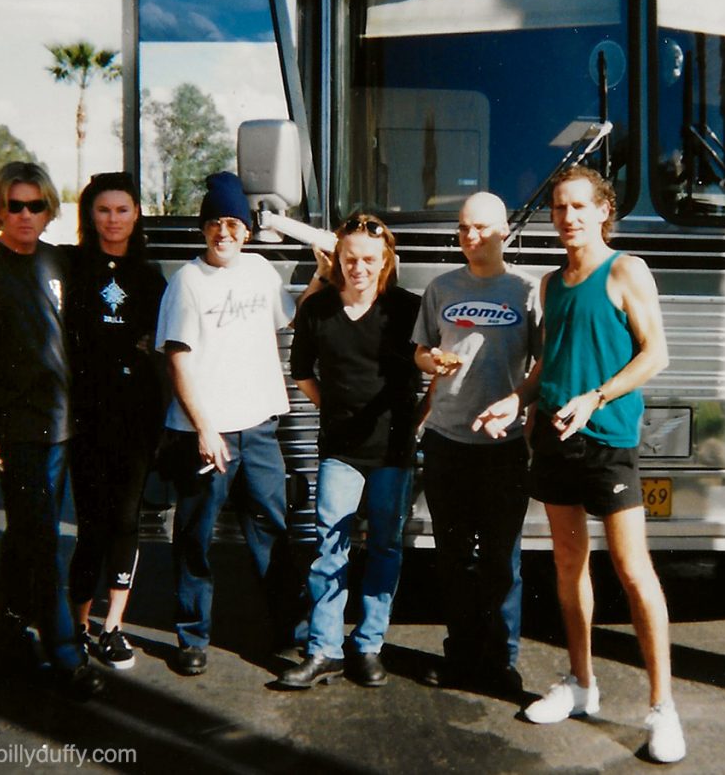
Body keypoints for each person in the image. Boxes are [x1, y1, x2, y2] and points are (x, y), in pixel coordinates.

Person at [474, 166, 685, 763]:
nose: (567, 218)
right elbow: (547, 368)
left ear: (602, 211)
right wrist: (515, 401)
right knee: (569, 565)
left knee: (632, 569)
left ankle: (662, 708)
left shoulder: (626, 270)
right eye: (559, 209)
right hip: (556, 443)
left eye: (578, 208)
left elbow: (656, 354)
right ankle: (581, 683)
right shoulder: (550, 284)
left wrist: (597, 396)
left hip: (608, 441)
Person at [0, 161, 104, 700]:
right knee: (42, 545)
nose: (26, 216)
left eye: (36, 205)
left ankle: (9, 632)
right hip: (15, 432)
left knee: (25, 538)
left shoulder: (57, 261)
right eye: (15, 205)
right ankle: (65, 655)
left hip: (60, 427)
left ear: (49, 209)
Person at [155, 171, 319, 677]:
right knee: (197, 534)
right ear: (202, 231)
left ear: (247, 231)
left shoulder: (261, 273)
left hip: (261, 427)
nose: (223, 233)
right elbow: (178, 360)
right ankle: (192, 636)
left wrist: (319, 281)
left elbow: (289, 320)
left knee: (272, 528)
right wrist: (204, 427)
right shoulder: (186, 281)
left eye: (232, 223)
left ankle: (290, 634)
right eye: (213, 224)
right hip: (209, 433)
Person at [278, 214, 421, 689]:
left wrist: (415, 422)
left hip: (392, 452)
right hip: (339, 451)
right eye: (350, 258)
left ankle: (368, 646)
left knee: (383, 546)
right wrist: (334, 408)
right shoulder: (319, 310)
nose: (358, 267)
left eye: (369, 260)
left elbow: (432, 370)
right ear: (336, 259)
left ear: (385, 262)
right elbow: (301, 371)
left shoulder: (406, 309)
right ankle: (324, 650)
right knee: (329, 547)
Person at [412, 192, 541, 696]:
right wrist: (431, 363)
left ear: (504, 231)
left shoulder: (527, 292)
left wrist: (521, 410)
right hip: (447, 442)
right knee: (453, 558)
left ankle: (501, 662)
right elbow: (421, 351)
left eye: (482, 228)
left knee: (502, 561)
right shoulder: (441, 288)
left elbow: (542, 364)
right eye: (464, 228)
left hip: (504, 447)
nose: (471, 237)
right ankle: (461, 654)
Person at [64, 172, 166, 670]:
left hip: (135, 419)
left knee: (126, 522)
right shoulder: (71, 264)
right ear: (90, 216)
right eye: (103, 210)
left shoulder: (151, 278)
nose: (113, 220)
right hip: (85, 417)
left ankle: (113, 628)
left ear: (136, 215)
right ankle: (77, 626)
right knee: (91, 527)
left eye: (122, 210)